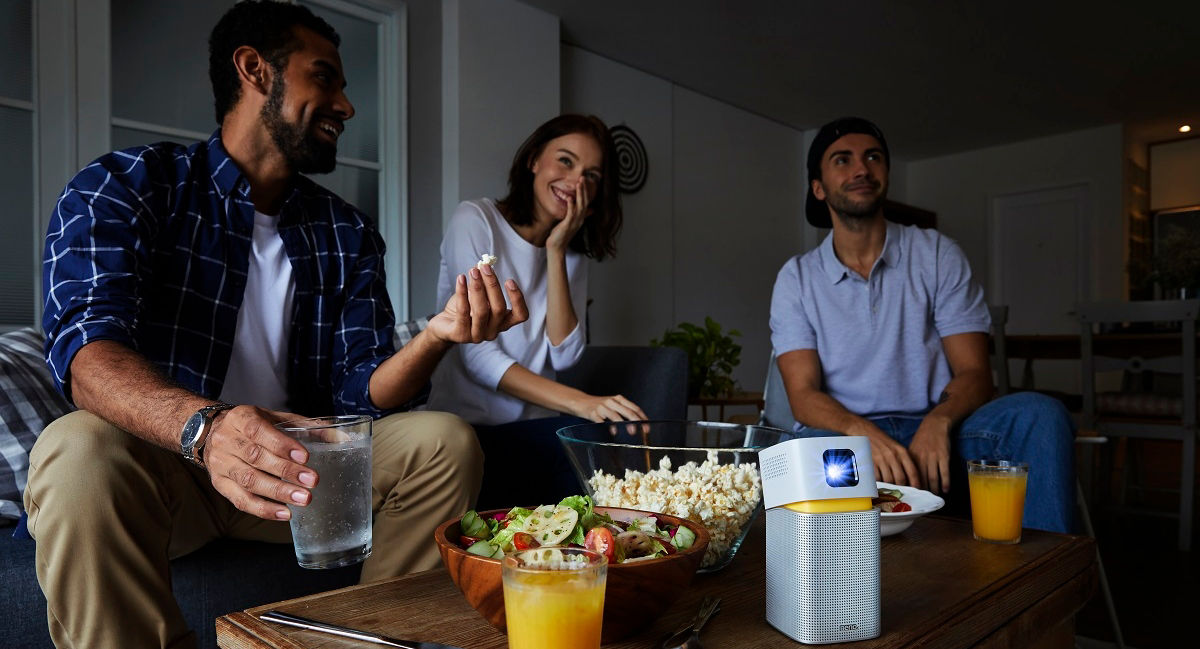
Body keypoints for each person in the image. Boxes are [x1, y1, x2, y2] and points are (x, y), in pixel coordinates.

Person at [23, 3, 528, 648]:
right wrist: (208, 433)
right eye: (327, 79)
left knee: (443, 440)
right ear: (254, 69)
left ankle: (357, 641)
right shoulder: (125, 187)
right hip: (166, 466)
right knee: (77, 449)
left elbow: (360, 396)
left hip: (300, 472)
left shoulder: (344, 230)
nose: (345, 106)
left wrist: (436, 335)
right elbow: (87, 357)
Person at [769, 116, 1074, 533]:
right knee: (796, 448)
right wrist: (862, 435)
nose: (861, 169)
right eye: (843, 160)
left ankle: (1044, 586)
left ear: (886, 174)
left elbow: (974, 373)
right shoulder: (797, 277)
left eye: (873, 157)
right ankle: (832, 586)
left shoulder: (936, 253)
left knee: (1039, 413)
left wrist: (940, 421)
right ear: (818, 187)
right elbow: (803, 395)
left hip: (942, 431)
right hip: (848, 439)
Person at [426, 114, 647, 508]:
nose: (577, 181)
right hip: (468, 430)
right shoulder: (475, 220)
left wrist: (557, 250)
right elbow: (477, 355)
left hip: (536, 428)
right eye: (565, 161)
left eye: (591, 175)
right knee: (586, 439)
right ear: (533, 161)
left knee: (613, 439)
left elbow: (565, 354)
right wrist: (582, 401)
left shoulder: (571, 256)